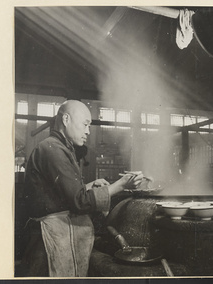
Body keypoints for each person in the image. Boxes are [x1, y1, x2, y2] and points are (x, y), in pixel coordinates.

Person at [20, 100, 143, 277]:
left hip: (56, 235)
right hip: (49, 240)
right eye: (85, 125)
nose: (87, 131)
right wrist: (121, 184)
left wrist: (88, 186)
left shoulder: (59, 147)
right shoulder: (52, 149)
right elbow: (79, 201)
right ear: (66, 119)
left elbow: (57, 195)